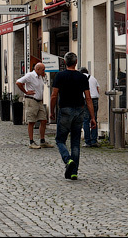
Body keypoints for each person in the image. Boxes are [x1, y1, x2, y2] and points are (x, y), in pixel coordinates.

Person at [49, 52, 96, 181]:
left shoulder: (60, 76)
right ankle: (74, 172)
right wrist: (92, 117)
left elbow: (54, 95)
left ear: (65, 62)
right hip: (79, 110)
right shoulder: (82, 77)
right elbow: (88, 98)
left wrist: (52, 110)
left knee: (60, 140)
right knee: (75, 142)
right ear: (76, 63)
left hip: (65, 110)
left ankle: (68, 160)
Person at [16, 63, 51, 148]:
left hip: (39, 102)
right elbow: (18, 82)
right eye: (43, 69)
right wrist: (26, 92)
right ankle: (31, 142)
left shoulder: (40, 77)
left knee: (43, 120)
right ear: (37, 69)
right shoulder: (30, 75)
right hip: (31, 100)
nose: (44, 71)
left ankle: (42, 140)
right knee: (31, 121)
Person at [82, 68, 101, 147]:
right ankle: (94, 140)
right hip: (95, 99)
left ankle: (87, 141)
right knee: (94, 119)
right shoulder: (93, 78)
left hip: (86, 99)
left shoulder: (80, 78)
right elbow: (97, 89)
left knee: (86, 120)